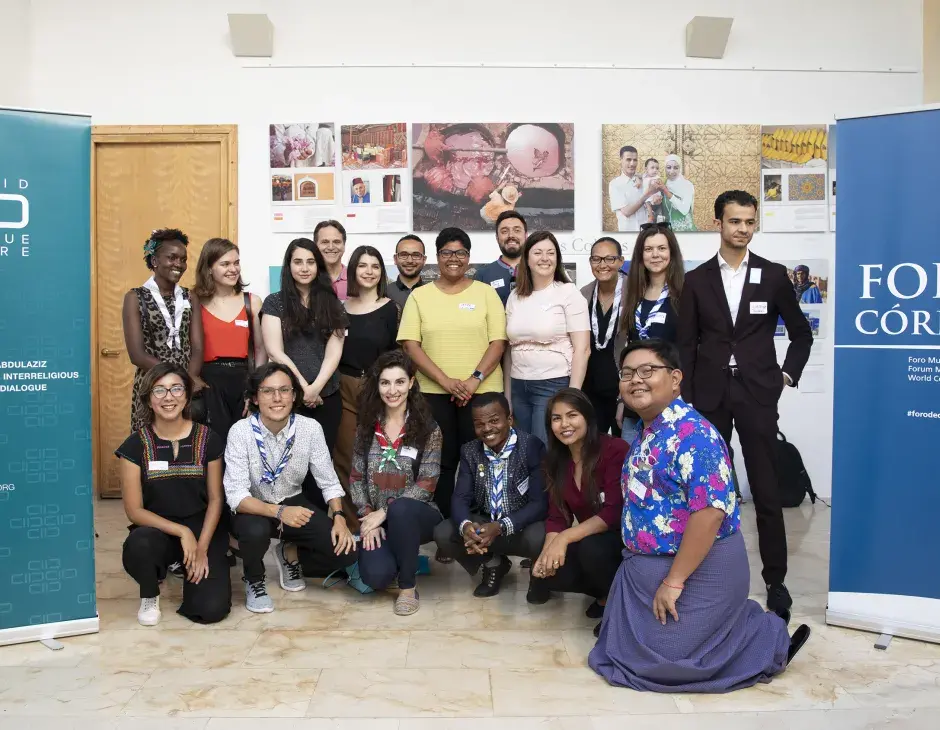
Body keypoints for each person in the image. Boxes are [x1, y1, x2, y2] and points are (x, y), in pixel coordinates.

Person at [589, 339, 810, 691]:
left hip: (697, 567)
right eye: (627, 373)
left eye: (648, 371)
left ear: (675, 378)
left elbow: (709, 516)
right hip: (646, 567)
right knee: (620, 651)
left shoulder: (696, 435)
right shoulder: (650, 431)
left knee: (671, 664)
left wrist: (673, 582)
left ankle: (766, 635)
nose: (636, 380)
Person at [677, 190, 813, 622]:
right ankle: (703, 575)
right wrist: (687, 396)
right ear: (718, 222)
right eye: (735, 221)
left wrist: (786, 376)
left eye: (749, 222)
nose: (743, 229)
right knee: (709, 492)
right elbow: (685, 345)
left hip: (757, 393)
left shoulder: (773, 276)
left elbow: (801, 334)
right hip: (709, 395)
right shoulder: (696, 281)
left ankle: (776, 582)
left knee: (766, 492)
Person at [399, 227, 507, 543]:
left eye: (460, 252)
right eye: (447, 252)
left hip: (483, 393)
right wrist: (447, 382)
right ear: (437, 257)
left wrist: (472, 381)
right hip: (433, 395)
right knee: (442, 465)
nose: (454, 258)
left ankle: (488, 533)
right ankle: (446, 534)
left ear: (469, 258)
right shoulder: (420, 296)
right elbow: (411, 345)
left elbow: (498, 342)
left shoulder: (485, 293)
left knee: (486, 463)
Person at [224, 363, 357, 613]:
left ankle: (289, 552)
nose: (277, 398)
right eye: (267, 391)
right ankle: (255, 580)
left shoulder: (310, 429)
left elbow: (328, 480)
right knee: (254, 531)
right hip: (253, 508)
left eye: (284, 390)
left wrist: (339, 517)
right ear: (255, 397)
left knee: (345, 552)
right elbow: (236, 496)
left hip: (293, 501)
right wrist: (279, 512)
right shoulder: (240, 432)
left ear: (294, 396)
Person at [116, 363, 230, 626]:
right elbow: (134, 511)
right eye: (159, 390)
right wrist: (182, 532)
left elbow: (216, 499)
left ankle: (191, 566)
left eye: (176, 388)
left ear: (187, 395)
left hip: (203, 529)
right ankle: (150, 591)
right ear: (147, 399)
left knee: (210, 610)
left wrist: (201, 546)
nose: (169, 397)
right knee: (139, 544)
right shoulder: (135, 446)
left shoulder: (208, 439)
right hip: (158, 531)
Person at [527, 388, 629, 636]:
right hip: (591, 538)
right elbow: (557, 516)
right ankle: (603, 593)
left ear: (587, 417)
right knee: (548, 571)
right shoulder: (555, 459)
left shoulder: (615, 449)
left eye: (572, 415)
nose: (564, 424)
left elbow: (613, 513)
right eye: (556, 418)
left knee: (591, 549)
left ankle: (621, 604)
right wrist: (548, 553)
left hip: (623, 541)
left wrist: (564, 538)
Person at [349, 351, 443, 614]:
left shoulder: (428, 428)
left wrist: (384, 513)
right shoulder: (366, 427)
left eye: (399, 382)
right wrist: (369, 518)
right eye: (385, 382)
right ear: (377, 385)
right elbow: (356, 478)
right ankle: (403, 555)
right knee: (376, 576)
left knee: (401, 509)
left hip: (418, 515)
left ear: (411, 383)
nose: (392, 390)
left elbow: (427, 483)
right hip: (378, 518)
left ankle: (407, 587)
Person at [434, 392, 547, 597]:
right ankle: (493, 564)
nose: (487, 429)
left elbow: (539, 503)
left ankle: (538, 574)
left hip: (522, 526)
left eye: (494, 421)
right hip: (486, 524)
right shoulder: (470, 451)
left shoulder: (531, 446)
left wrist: (501, 526)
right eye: (479, 424)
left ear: (509, 419)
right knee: (445, 533)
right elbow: (460, 498)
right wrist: (467, 526)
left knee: (541, 536)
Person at [261, 239, 346, 467]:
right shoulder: (274, 303)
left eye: (310, 262)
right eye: (298, 262)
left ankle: (320, 505)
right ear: (288, 266)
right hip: (288, 396)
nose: (304, 268)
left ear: (318, 266)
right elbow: (275, 351)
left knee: (322, 462)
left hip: (326, 395)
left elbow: (334, 350)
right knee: (289, 464)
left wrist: (316, 387)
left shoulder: (333, 303)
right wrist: (304, 389)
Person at [505, 231, 590, 444]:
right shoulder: (515, 296)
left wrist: (572, 397)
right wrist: (507, 395)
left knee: (544, 452)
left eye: (551, 253)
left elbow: (583, 349)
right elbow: (509, 349)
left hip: (553, 384)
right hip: (519, 385)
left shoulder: (569, 293)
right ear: (526, 258)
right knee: (524, 451)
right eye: (538, 252)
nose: (545, 258)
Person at [123, 228, 205, 431]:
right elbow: (137, 354)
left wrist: (188, 380)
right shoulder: (135, 297)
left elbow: (198, 347)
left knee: (185, 443)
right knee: (151, 446)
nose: (179, 264)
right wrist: (176, 378)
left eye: (183, 259)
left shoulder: (190, 297)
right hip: (152, 383)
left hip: (185, 387)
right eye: (172, 258)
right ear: (154, 261)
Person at [334, 246, 399, 489]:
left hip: (381, 391)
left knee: (383, 456)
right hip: (344, 389)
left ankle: (382, 519)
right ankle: (350, 521)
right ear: (352, 270)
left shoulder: (392, 308)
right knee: (347, 456)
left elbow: (398, 355)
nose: (369, 271)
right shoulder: (340, 309)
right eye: (362, 265)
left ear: (382, 272)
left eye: (375, 266)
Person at [618, 222, 685, 444]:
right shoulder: (633, 293)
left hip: (670, 396)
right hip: (636, 395)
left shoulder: (685, 293)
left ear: (671, 252)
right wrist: (621, 400)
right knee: (633, 465)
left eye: (661, 248)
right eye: (648, 249)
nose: (655, 255)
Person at [193, 238, 266, 441]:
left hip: (242, 380)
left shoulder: (252, 301)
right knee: (212, 445)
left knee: (244, 444)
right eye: (225, 264)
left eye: (236, 263)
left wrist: (255, 389)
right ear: (208, 268)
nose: (233, 269)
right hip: (209, 383)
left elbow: (261, 350)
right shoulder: (194, 301)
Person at [580, 237, 628, 435]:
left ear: (621, 261)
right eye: (596, 259)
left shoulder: (635, 292)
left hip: (623, 390)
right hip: (591, 391)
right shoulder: (583, 295)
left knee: (624, 453)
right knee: (593, 453)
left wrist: (625, 397)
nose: (603, 265)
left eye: (610, 259)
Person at [473, 210, 526, 306]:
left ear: (526, 236)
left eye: (517, 230)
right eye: (504, 231)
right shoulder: (482, 275)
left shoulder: (538, 271)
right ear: (497, 238)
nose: (511, 235)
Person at [609, 146, 659, 232]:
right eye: (628, 159)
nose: (632, 164)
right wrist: (647, 194)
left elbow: (653, 205)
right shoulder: (615, 184)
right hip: (628, 233)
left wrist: (656, 201)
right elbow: (627, 212)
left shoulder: (645, 179)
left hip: (647, 232)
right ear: (621, 160)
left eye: (635, 160)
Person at [388, 234, 427, 308]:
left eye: (416, 255)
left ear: (424, 260)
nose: (410, 260)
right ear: (395, 259)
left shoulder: (433, 293)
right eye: (403, 255)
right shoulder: (384, 294)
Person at [314, 219, 348, 301]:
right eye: (325, 242)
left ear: (344, 245)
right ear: (315, 246)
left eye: (336, 242)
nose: (331, 247)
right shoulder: (307, 278)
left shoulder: (356, 279)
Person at [661, 154, 697, 232]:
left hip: (686, 231)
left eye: (676, 168)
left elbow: (684, 210)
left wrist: (668, 193)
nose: (672, 171)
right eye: (668, 167)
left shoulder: (687, 185)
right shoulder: (663, 184)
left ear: (680, 169)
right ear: (664, 168)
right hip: (668, 232)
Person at [642, 158, 665, 223]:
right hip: (647, 197)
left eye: (657, 168)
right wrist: (638, 180)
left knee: (659, 210)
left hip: (656, 196)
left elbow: (660, 185)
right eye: (652, 168)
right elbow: (637, 176)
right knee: (647, 203)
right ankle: (651, 216)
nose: (655, 170)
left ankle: (660, 220)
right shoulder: (644, 176)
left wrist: (658, 182)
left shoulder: (657, 177)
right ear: (646, 169)